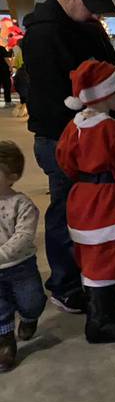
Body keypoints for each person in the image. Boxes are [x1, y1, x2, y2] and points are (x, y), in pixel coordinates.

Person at [20, 0, 115, 315]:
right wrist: (89, 128)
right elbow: (54, 96)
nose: (95, 12)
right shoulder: (44, 34)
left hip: (98, 128)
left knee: (103, 203)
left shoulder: (82, 23)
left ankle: (101, 260)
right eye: (90, 4)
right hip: (67, 136)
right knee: (69, 207)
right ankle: (65, 283)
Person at [56, 60, 115, 343]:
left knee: (93, 258)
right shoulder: (111, 128)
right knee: (107, 259)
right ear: (105, 95)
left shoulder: (74, 126)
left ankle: (105, 311)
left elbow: (65, 162)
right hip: (107, 204)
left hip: (82, 199)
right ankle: (99, 324)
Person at [0, 141, 46, 372]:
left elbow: (24, 236)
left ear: (12, 177)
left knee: (32, 301)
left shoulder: (22, 204)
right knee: (0, 308)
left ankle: (30, 317)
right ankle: (5, 343)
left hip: (20, 266)